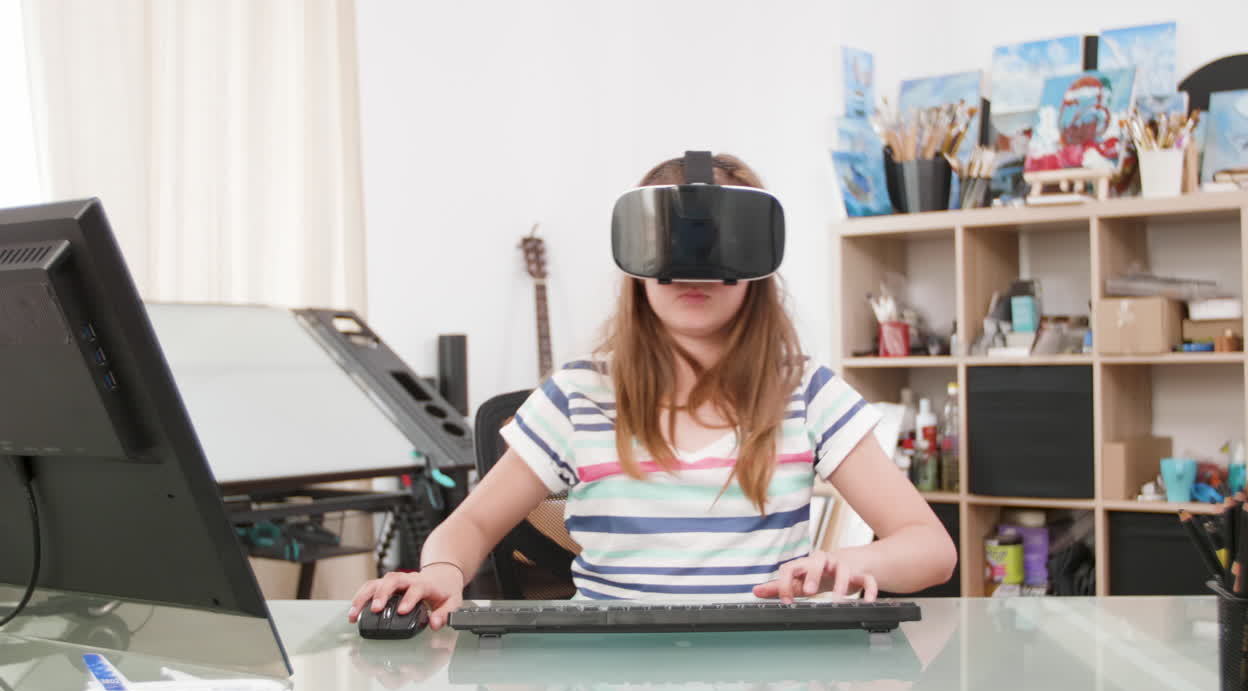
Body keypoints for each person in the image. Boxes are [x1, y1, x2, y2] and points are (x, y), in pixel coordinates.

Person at [350, 153, 956, 631]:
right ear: (638, 259)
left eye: (715, 247)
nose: (694, 273)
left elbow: (931, 548)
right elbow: (471, 524)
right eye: (673, 247)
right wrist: (440, 572)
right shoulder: (577, 397)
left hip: (766, 673)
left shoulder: (805, 392)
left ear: (755, 263)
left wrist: (851, 562)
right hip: (609, 674)